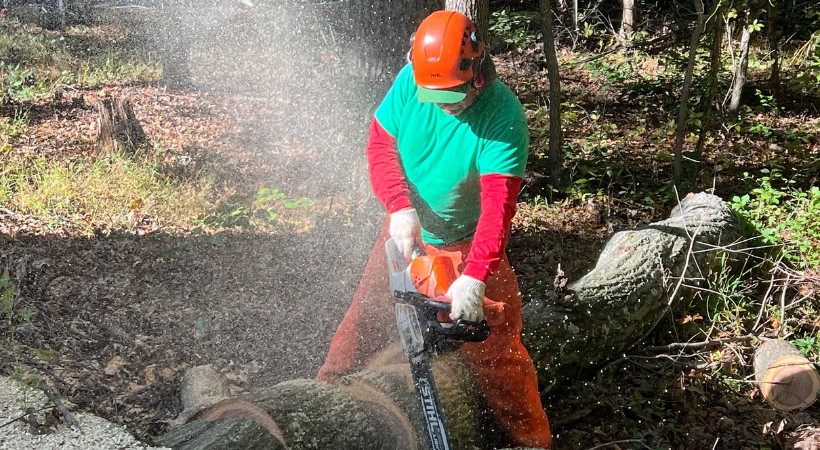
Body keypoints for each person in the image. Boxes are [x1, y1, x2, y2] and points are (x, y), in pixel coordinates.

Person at [316, 9, 552, 449]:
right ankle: (320, 398)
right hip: (410, 232)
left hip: (469, 240)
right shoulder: (411, 81)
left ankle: (532, 442)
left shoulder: (503, 117)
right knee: (366, 315)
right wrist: (398, 206)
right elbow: (381, 144)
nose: (442, 102)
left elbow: (498, 209)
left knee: (498, 352)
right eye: (434, 93)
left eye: (451, 94)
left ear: (478, 73)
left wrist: (477, 275)